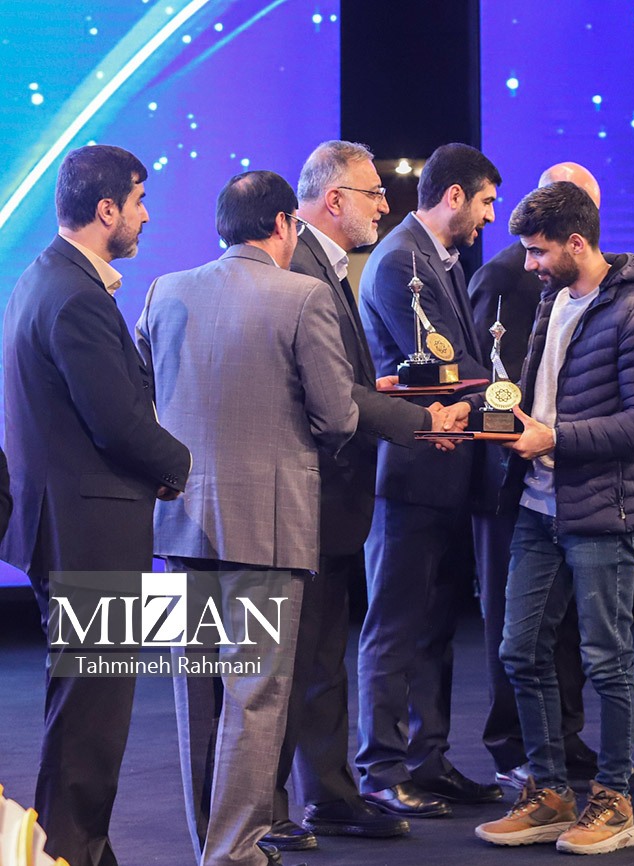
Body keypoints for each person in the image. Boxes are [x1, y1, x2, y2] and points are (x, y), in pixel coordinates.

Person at [138, 170, 359, 866]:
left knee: (195, 696)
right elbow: (337, 416)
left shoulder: (164, 290)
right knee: (256, 695)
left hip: (179, 523)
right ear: (285, 224)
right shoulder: (304, 295)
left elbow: (144, 397)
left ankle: (213, 842)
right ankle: (233, 851)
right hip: (267, 527)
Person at [466, 181, 634, 854]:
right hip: (537, 504)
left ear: (577, 243)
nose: (528, 263)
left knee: (606, 660)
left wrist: (554, 438)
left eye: (537, 251)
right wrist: (482, 419)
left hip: (604, 510)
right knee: (519, 650)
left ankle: (613, 801)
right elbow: (540, 400)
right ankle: (551, 794)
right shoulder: (554, 300)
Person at [1, 144, 191, 866]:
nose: (146, 216)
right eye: (139, 201)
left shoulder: (47, 277)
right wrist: (180, 464)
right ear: (107, 209)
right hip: (88, 530)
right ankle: (70, 853)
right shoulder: (76, 294)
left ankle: (69, 849)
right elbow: (115, 421)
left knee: (84, 709)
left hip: (71, 524)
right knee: (92, 718)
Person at [264, 141, 433, 851]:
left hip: (329, 500)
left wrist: (378, 391)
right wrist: (424, 421)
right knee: (292, 663)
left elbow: (337, 384)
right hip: (307, 495)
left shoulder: (323, 265)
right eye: (373, 193)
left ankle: (327, 798)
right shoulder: (301, 269)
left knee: (320, 658)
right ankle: (271, 809)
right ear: (334, 200)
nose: (385, 205)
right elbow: (323, 401)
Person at [355, 142, 502, 816]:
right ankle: (381, 769)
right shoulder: (400, 261)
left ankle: (428, 759)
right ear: (455, 196)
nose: (489, 217)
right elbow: (445, 368)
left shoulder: (434, 258)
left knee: (434, 627)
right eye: (486, 202)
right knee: (394, 627)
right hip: (410, 471)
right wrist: (510, 399)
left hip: (441, 472)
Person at [467, 163, 601, 790]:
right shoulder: (505, 276)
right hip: (513, 479)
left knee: (564, 630)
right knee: (515, 628)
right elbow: (495, 382)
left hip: (569, 479)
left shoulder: (595, 290)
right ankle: (515, 748)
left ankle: (561, 741)